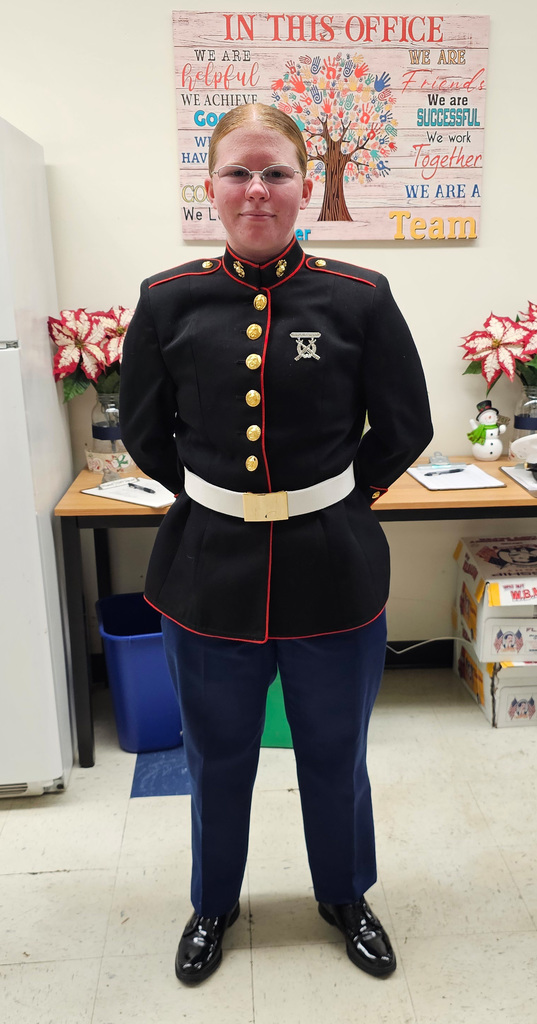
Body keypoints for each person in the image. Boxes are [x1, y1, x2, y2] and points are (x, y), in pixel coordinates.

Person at [119, 103, 433, 986]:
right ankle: (213, 902)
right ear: (210, 188)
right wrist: (220, 500)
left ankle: (343, 894)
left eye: (275, 173)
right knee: (215, 756)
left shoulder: (359, 297)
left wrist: (332, 499)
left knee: (335, 753)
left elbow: (404, 425)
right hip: (206, 575)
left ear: (304, 187)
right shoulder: (165, 300)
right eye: (238, 173)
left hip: (333, 571)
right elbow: (145, 432)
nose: (256, 190)